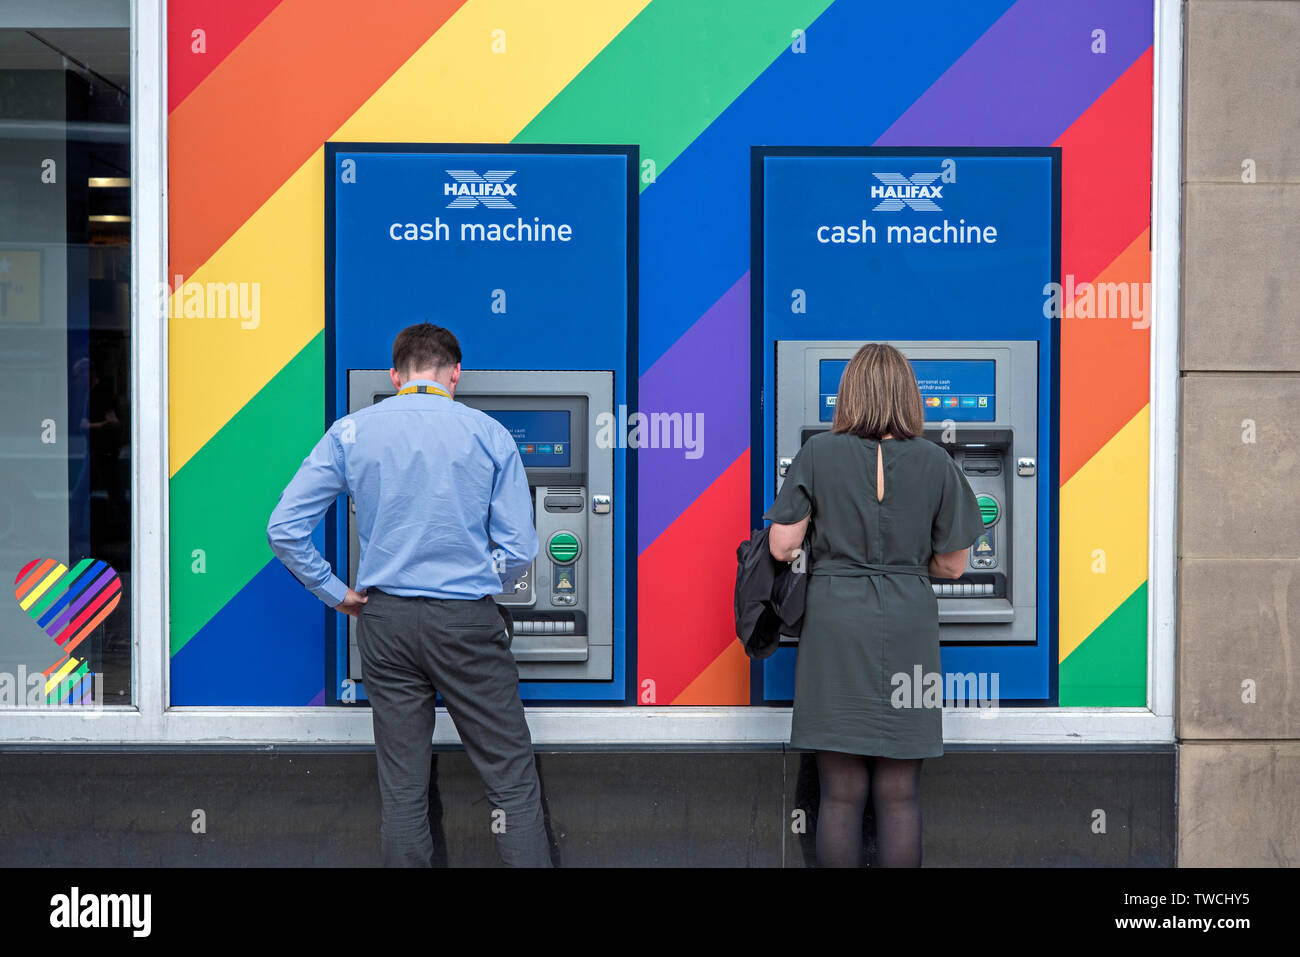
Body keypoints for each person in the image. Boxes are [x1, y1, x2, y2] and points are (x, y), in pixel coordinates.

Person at [266, 322, 551, 867]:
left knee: (402, 790)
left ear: (396, 376)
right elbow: (519, 547)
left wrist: (337, 593)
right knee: (511, 782)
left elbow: (284, 527)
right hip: (467, 622)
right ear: (456, 373)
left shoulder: (351, 432)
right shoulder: (489, 434)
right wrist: (476, 574)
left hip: (385, 621)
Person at [764, 342, 984, 867]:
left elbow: (780, 546)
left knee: (840, 796)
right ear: (909, 396)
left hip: (835, 621)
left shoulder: (818, 454)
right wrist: (906, 564)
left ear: (848, 395)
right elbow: (955, 565)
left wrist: (832, 545)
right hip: (907, 620)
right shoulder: (936, 461)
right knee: (900, 795)